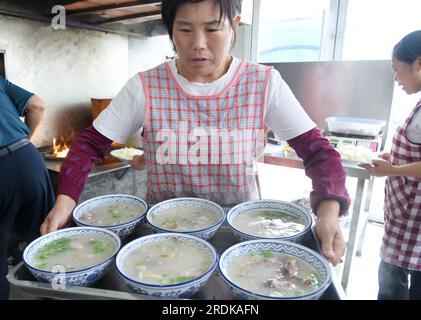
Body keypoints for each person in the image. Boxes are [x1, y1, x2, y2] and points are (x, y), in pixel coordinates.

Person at [41, 0, 350, 266]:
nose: (198, 43)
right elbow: (90, 144)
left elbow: (318, 152)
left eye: (213, 29)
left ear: (235, 26)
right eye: (185, 29)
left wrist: (328, 213)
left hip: (239, 238)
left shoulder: (264, 83)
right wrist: (65, 200)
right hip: (161, 239)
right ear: (171, 30)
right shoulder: (145, 86)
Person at [360, 30, 421, 300]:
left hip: (415, 219)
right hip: (405, 214)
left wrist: (393, 170)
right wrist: (393, 157)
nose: (396, 79)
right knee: (392, 277)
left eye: (397, 70)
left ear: (418, 63)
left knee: (395, 285)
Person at [0, 76, 55, 300]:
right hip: (28, 159)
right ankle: (56, 294)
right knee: (45, 237)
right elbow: (37, 105)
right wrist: (26, 139)